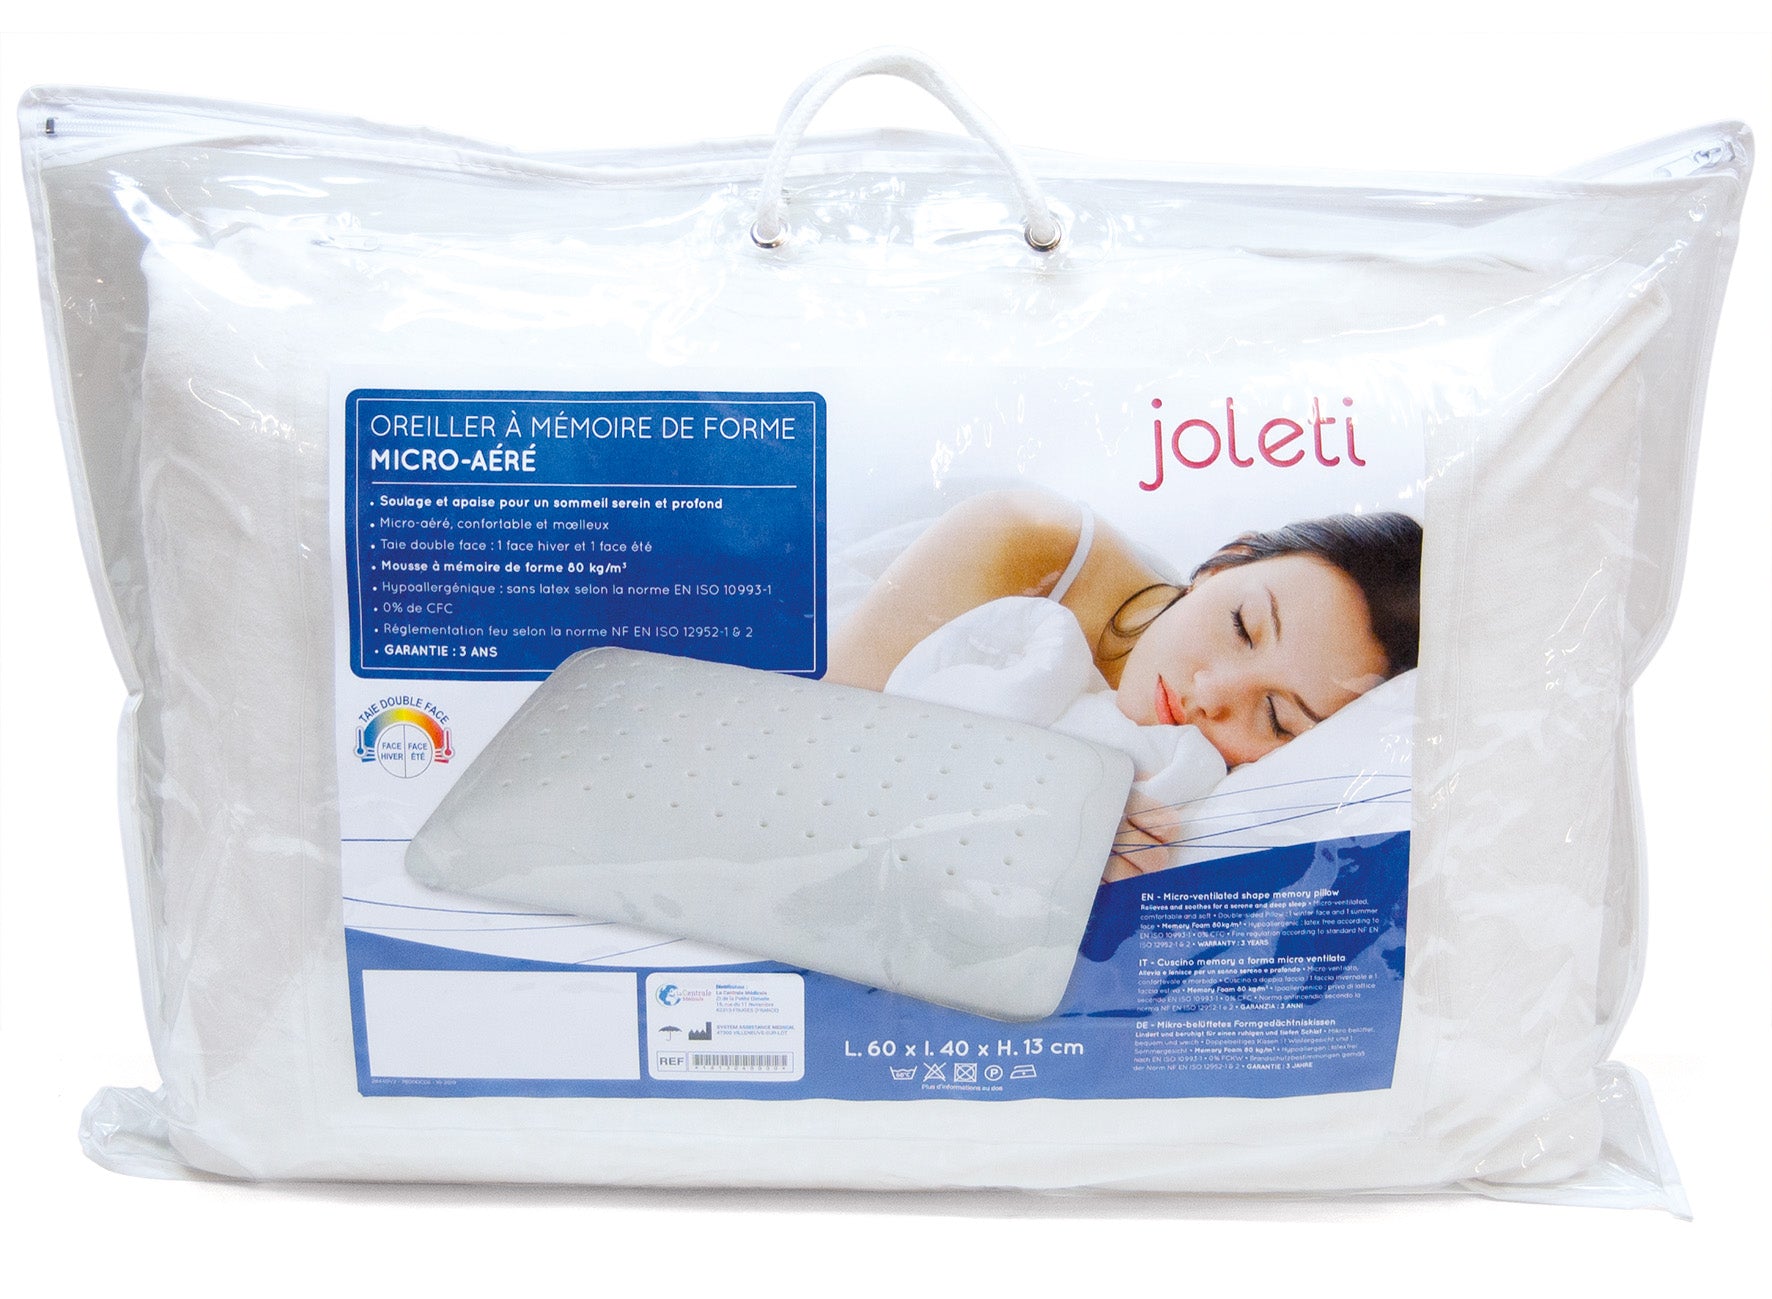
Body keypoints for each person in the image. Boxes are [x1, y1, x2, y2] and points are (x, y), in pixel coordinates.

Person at [827, 488, 1422, 878]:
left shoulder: (1191, 793)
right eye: (1241, 627)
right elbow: (826, 754)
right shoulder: (1028, 539)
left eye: (1275, 717)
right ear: (1223, 563)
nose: (1210, 694)